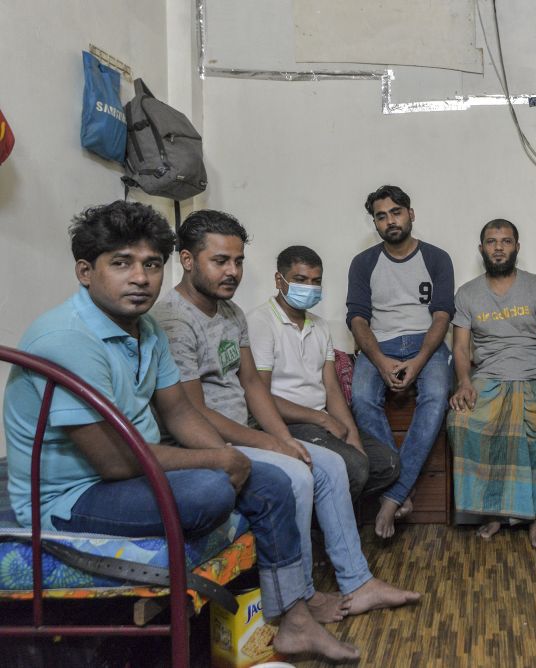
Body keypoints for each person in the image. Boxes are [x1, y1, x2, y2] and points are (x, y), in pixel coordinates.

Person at [3, 201, 358, 662]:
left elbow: (179, 413)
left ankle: (294, 620)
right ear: (85, 271)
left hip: (133, 470)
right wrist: (218, 461)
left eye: (151, 264)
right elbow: (112, 462)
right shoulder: (68, 339)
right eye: (122, 263)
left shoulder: (146, 329)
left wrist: (234, 458)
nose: (140, 278)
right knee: (208, 492)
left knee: (269, 481)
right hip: (73, 496)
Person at [152, 209, 420, 616]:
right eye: (220, 261)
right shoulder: (174, 320)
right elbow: (193, 410)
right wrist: (273, 441)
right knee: (305, 470)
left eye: (238, 261)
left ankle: (358, 582)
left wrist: (281, 438)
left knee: (329, 464)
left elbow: (252, 386)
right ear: (187, 260)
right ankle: (301, 597)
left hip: (244, 429)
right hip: (204, 437)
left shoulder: (230, 314)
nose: (232, 271)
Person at [447, 219, 536, 548]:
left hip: (534, 378)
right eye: (491, 241)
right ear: (481, 249)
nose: (498, 247)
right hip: (488, 379)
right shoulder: (467, 294)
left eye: (505, 241)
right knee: (462, 422)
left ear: (517, 247)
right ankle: (494, 511)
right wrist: (463, 382)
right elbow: (460, 346)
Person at [246, 244, 400, 502]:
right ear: (279, 280)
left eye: (315, 281)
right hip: (285, 424)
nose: (309, 287)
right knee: (356, 468)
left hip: (322, 420)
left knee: (387, 464)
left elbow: (331, 388)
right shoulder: (260, 322)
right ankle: (321, 528)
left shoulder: (319, 326)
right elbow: (259, 394)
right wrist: (322, 419)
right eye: (300, 280)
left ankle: (324, 510)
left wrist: (353, 437)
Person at [347, 185, 454, 538]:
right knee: (361, 398)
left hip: (427, 342)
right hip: (380, 344)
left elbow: (441, 316)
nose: (390, 220)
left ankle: (391, 496)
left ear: (410, 214)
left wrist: (420, 360)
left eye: (396, 212)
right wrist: (379, 361)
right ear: (375, 223)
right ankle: (399, 488)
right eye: (381, 216)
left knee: (437, 396)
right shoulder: (363, 263)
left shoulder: (437, 258)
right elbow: (358, 319)